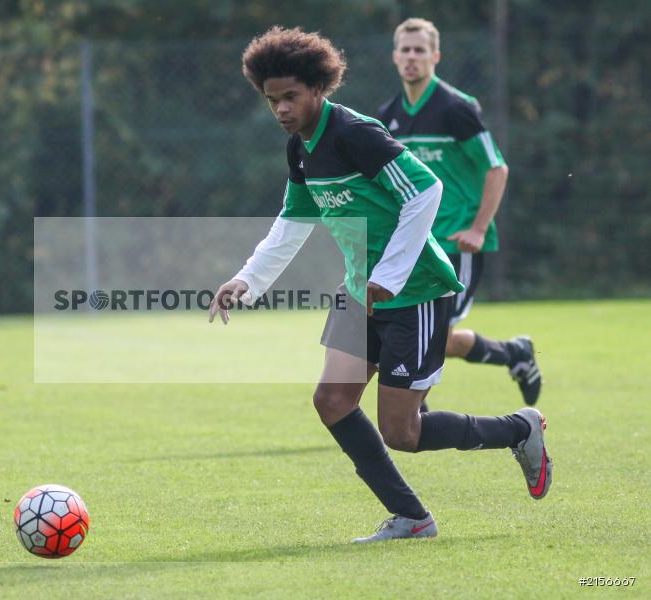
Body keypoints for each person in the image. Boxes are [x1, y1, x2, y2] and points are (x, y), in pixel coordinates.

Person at [209, 26, 552, 542]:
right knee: (332, 402)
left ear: (318, 89)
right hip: (359, 292)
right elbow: (291, 223)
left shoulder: (354, 133)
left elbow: (425, 191)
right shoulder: (300, 150)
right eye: (271, 100)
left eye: (290, 97)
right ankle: (412, 518)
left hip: (412, 291)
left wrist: (389, 274)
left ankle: (518, 429)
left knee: (403, 432)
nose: (280, 108)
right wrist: (246, 280)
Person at [377, 18, 541, 408]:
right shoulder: (387, 115)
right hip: (414, 243)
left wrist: (479, 229)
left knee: (438, 334)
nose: (412, 57)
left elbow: (496, 168)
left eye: (420, 50)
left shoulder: (457, 108)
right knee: (412, 327)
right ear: (395, 56)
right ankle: (512, 354)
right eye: (405, 49)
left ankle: (415, 404)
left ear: (435, 56)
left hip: (457, 240)